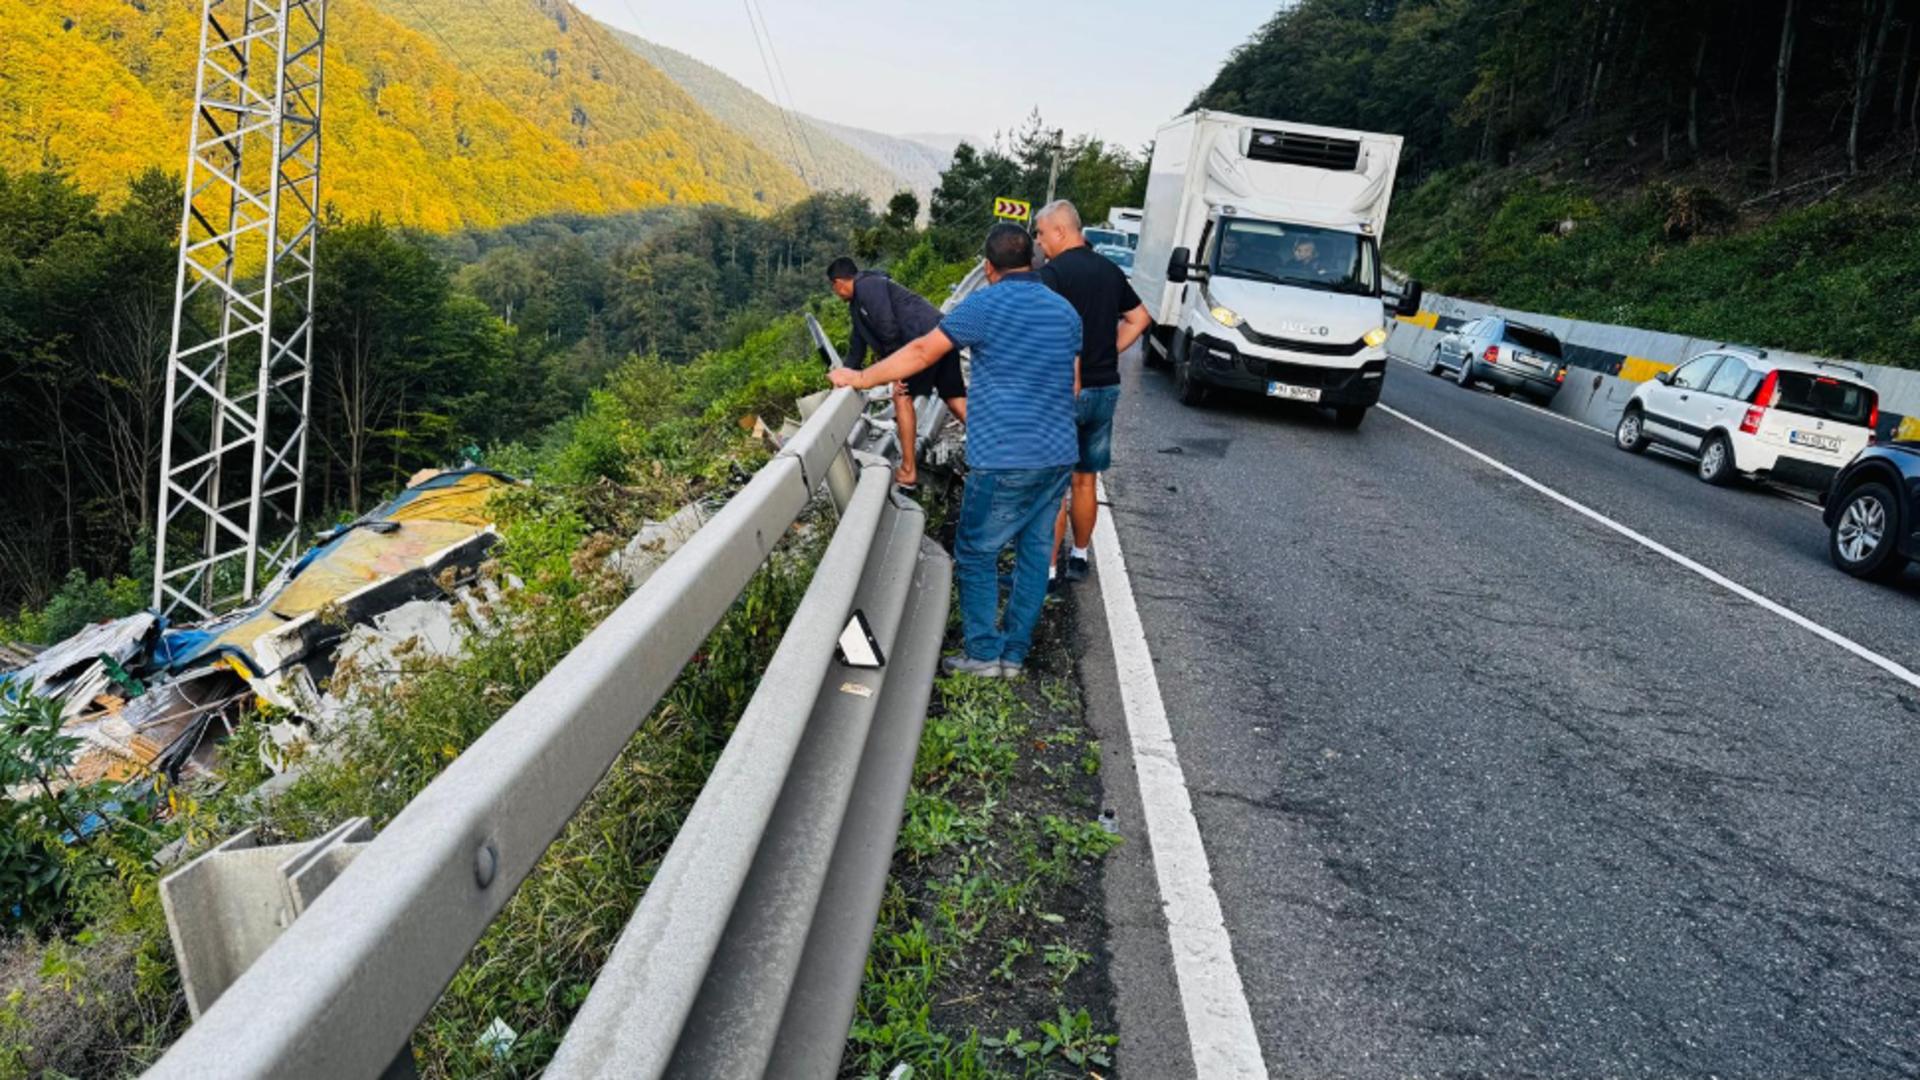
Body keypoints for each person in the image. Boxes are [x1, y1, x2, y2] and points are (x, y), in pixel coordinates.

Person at [829, 224, 1080, 678]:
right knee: (1033, 553)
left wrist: (860, 378)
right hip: (1058, 453)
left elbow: (924, 349)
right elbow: (1074, 382)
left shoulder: (983, 303)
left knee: (976, 551)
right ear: (1035, 261)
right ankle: (1014, 654)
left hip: (1004, 455)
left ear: (987, 268)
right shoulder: (1065, 312)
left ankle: (984, 654)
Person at [1033, 200, 1151, 585]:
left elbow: (1045, 332)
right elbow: (1139, 318)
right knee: (1086, 479)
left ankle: (1048, 569)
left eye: (1041, 232)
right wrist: (1108, 348)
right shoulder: (1109, 270)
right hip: (1105, 389)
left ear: (1060, 231)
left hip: (1065, 391)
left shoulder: (1052, 275)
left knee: (1052, 483)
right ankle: (1080, 557)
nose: (1038, 241)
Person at [826, 256, 968, 488]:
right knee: (954, 400)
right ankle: (994, 450)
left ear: (838, 283)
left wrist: (896, 370)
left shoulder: (867, 286)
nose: (836, 293)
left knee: (901, 397)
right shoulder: (859, 303)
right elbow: (857, 347)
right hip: (940, 336)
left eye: (834, 288)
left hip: (921, 343)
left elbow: (888, 326)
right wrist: (844, 374)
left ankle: (908, 470)